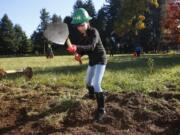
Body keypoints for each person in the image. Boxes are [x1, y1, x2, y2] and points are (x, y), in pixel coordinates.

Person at [66, 8, 107, 122]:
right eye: (78, 25)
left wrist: (76, 47)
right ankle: (93, 95)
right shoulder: (83, 36)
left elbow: (92, 47)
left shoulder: (94, 32)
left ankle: (101, 110)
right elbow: (86, 50)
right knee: (88, 83)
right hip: (92, 61)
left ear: (87, 22)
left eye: (82, 24)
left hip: (100, 60)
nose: (80, 27)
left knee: (96, 83)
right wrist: (78, 54)